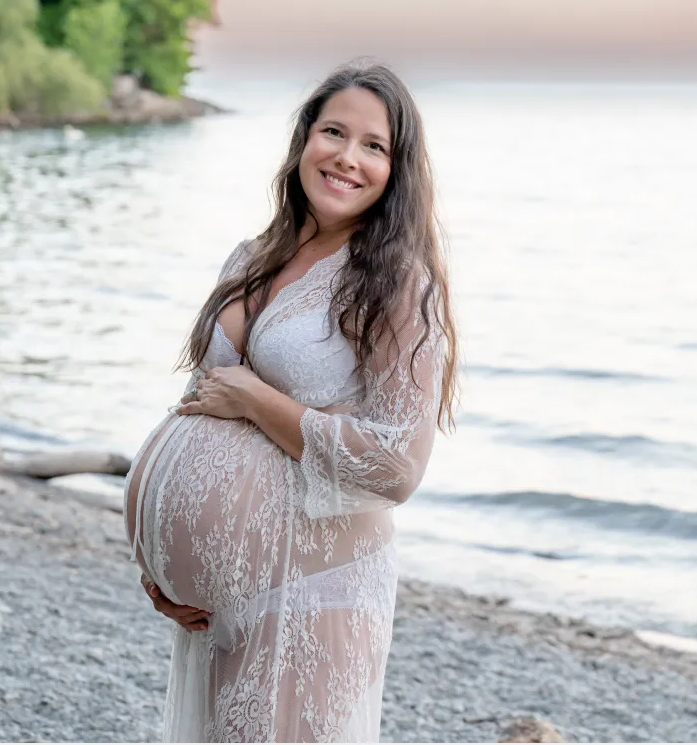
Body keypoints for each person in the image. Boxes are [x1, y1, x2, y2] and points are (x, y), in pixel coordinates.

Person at [123, 59, 459, 743]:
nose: (347, 158)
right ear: (304, 139)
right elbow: (201, 400)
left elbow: (397, 466)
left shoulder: (397, 285)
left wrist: (255, 400)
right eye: (334, 131)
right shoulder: (251, 257)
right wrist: (158, 564)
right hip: (221, 601)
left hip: (317, 592)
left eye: (374, 146)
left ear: (398, 171)